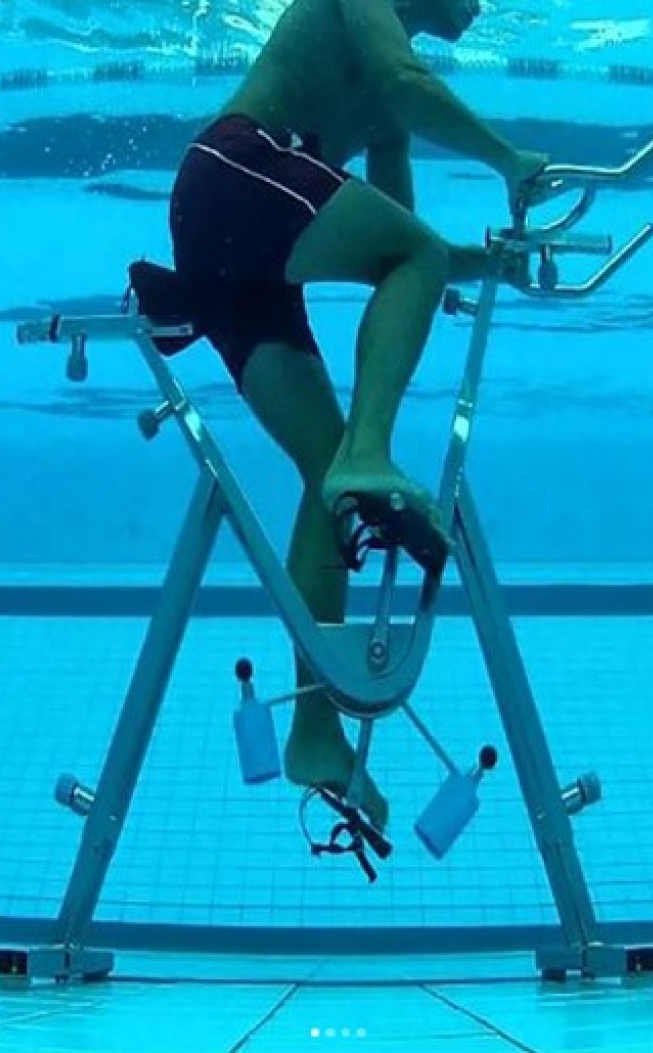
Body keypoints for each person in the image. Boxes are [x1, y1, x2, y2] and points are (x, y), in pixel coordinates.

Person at [169, 0, 548, 831]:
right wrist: (506, 158)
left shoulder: (390, 96)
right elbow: (403, 91)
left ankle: (313, 729)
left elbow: (406, 245)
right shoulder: (378, 36)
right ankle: (367, 454)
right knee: (352, 457)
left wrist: (492, 263)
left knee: (325, 467)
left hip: (225, 232)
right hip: (238, 170)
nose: (482, 3)